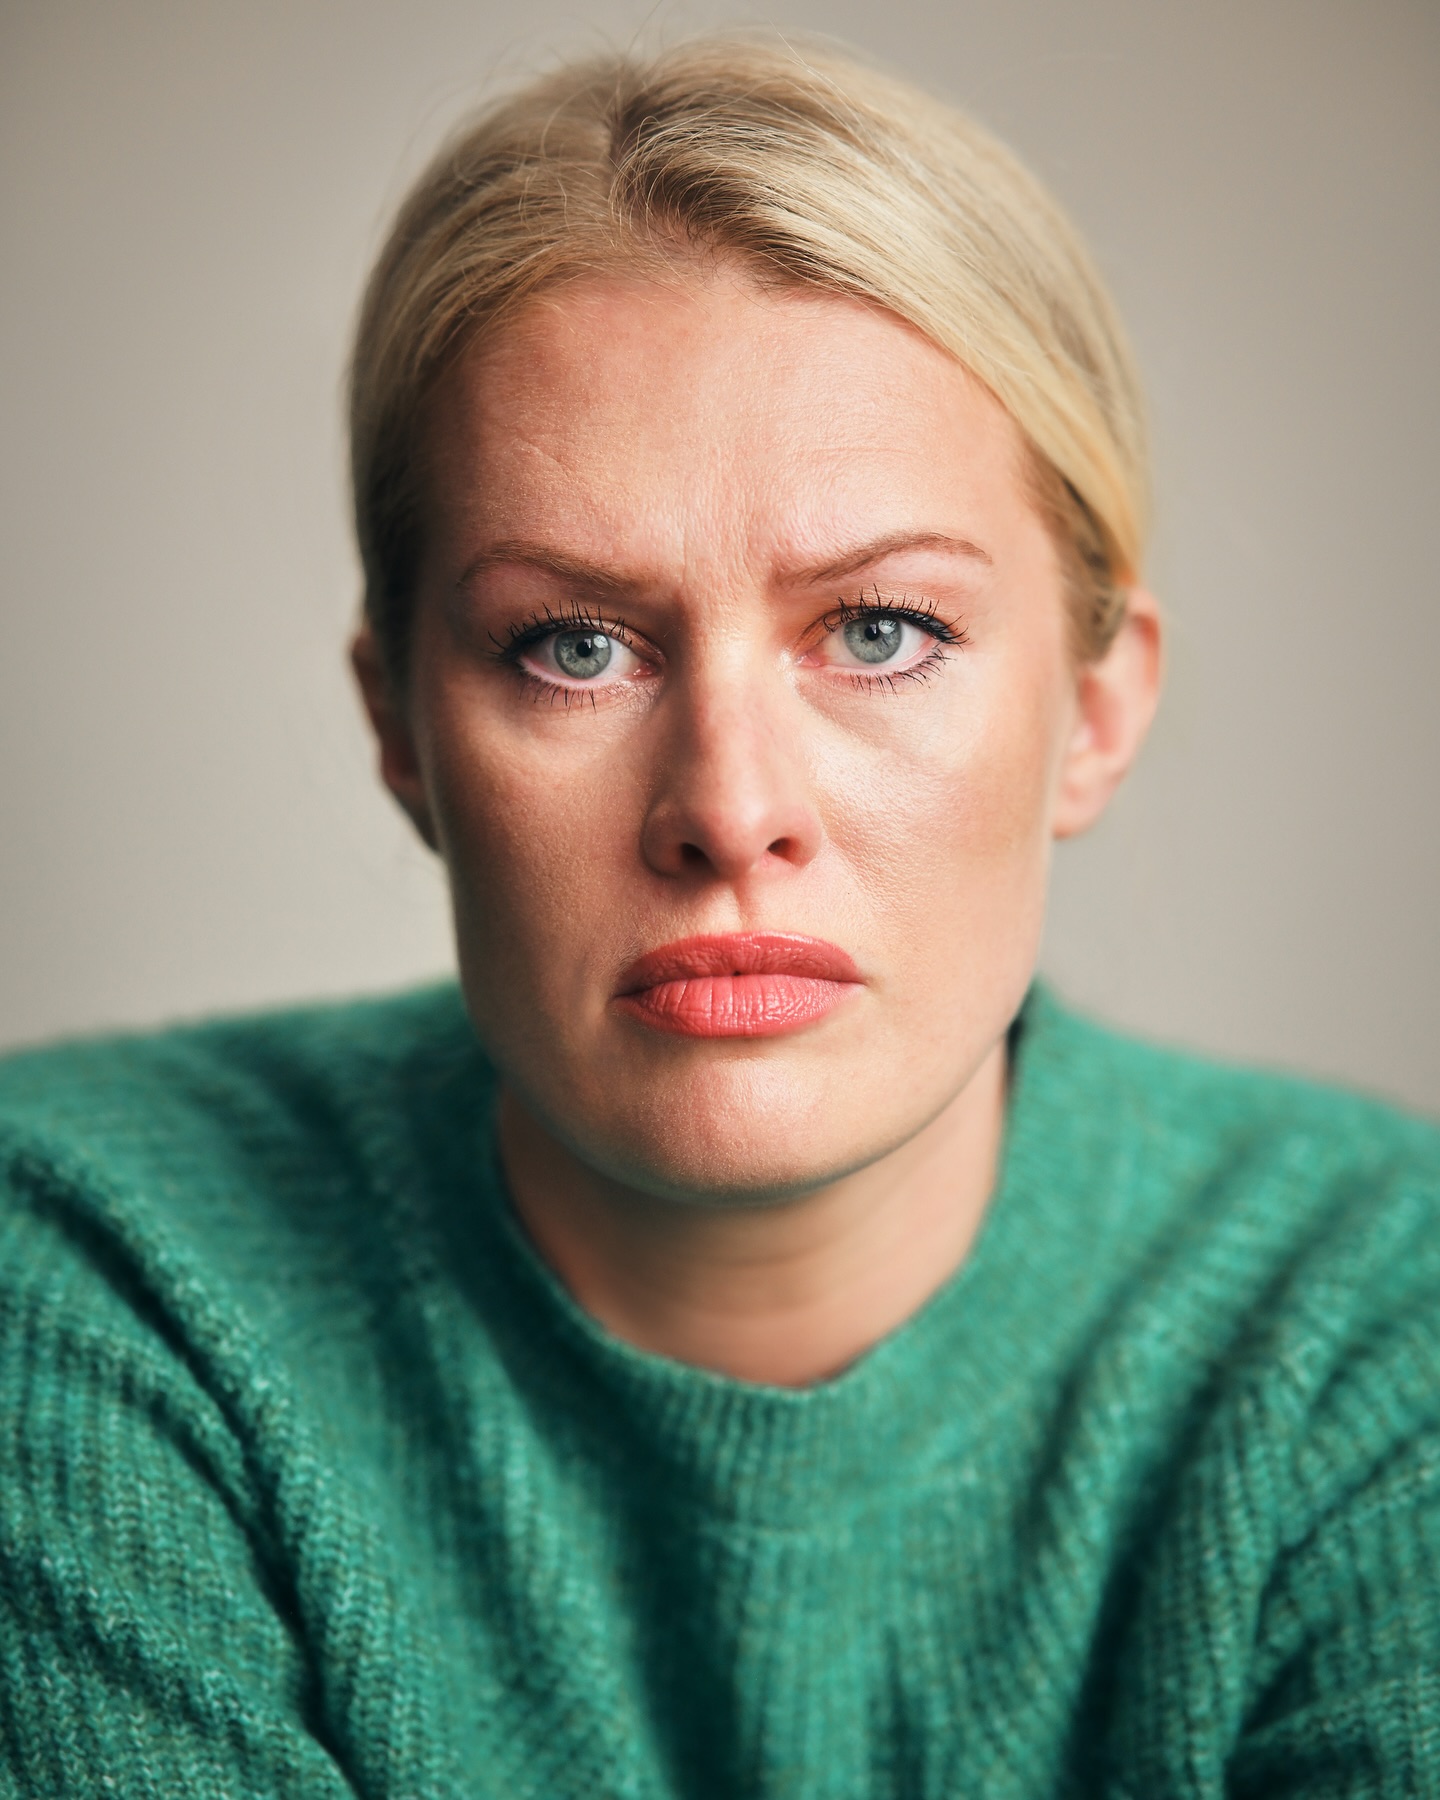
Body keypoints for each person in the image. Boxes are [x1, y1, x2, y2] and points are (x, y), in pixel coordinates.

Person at [1, 32, 1436, 1799]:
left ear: (1095, 707)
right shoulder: (92, 1278)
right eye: (574, 645)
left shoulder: (1386, 1318)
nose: (731, 808)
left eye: (882, 629)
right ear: (400, 731)